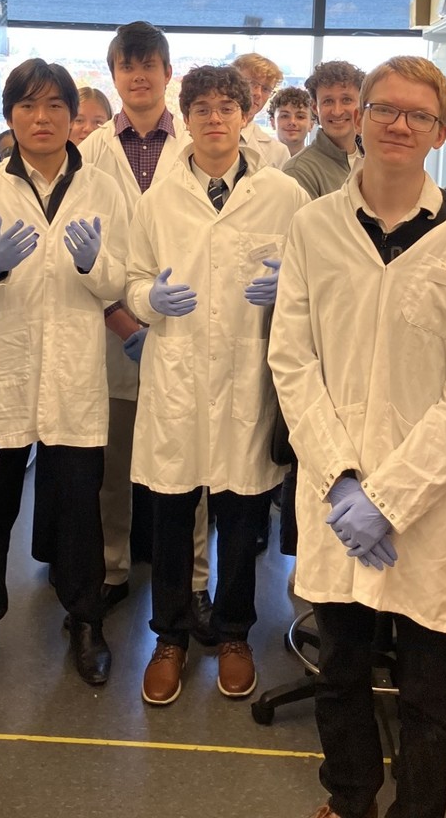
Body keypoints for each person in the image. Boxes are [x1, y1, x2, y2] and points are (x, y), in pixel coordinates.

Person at [268, 56, 446, 818]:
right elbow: (292, 358)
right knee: (340, 665)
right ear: (358, 117)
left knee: (429, 682)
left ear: (439, 133)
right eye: (385, 109)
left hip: (423, 503)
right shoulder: (313, 226)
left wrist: (392, 498)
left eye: (419, 116)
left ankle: (419, 810)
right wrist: (342, 481)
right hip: (337, 494)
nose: (400, 125)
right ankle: (349, 798)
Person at [127, 65, 308, 706]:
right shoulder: (157, 199)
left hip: (247, 378)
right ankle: (169, 638)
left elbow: (313, 280)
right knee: (172, 513)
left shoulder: (284, 196)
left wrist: (291, 288)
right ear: (188, 117)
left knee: (242, 515)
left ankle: (234, 633)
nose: (213, 119)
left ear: (244, 116)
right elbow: (132, 278)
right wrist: (148, 296)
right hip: (176, 375)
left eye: (225, 107)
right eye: (200, 108)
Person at [0, 58, 128, 694]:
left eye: (55, 106)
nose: (42, 117)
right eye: (28, 106)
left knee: (79, 508)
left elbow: (121, 283)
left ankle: (84, 620)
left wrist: (92, 266)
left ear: (72, 117)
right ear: (11, 116)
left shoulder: (105, 190)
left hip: (76, 378)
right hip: (5, 375)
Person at [79, 21, 214, 644]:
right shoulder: (90, 155)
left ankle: (192, 580)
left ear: (167, 73)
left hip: (188, 334)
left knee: (192, 464)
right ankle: (111, 566)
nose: (138, 76)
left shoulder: (201, 142)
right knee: (114, 464)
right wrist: (126, 317)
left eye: (149, 65)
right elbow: (86, 251)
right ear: (114, 77)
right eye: (126, 66)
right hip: (113, 332)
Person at [283, 60, 366, 198]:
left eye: (346, 100)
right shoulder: (299, 171)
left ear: (361, 104)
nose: (337, 111)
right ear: (315, 108)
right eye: (328, 101)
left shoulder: (373, 160)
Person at [232, 52, 290, 168]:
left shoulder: (277, 153)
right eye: (251, 83)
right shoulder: (192, 136)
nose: (257, 93)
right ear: (231, 83)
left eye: (266, 89)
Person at [268, 86, 315, 157]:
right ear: (272, 122)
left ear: (311, 125)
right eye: (285, 116)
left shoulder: (318, 164)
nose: (292, 122)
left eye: (300, 117)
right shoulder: (259, 159)